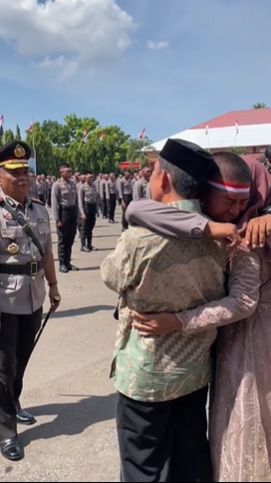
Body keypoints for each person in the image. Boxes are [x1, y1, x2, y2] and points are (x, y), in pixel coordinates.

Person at [128, 153, 271, 482]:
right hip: (217, 346)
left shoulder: (253, 233)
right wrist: (210, 226)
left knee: (243, 427)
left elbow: (243, 302)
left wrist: (178, 321)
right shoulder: (215, 226)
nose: (235, 211)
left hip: (248, 344)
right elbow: (135, 209)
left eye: (242, 201)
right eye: (227, 201)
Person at [101, 139, 233, 483]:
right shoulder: (220, 233)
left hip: (147, 373)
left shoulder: (139, 240)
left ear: (162, 179)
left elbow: (111, 276)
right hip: (194, 369)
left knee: (144, 466)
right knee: (190, 457)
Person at [0, 141, 61, 462]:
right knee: (3, 366)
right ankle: (6, 429)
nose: (22, 177)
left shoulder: (38, 209)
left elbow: (47, 251)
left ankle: (15, 402)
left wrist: (52, 285)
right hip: (3, 299)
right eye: (14, 172)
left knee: (22, 357)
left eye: (25, 171)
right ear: (0, 175)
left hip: (33, 294)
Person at [51, 164, 79, 273]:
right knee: (63, 239)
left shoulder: (73, 184)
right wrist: (57, 219)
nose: (70, 173)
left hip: (72, 212)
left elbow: (76, 201)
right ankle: (62, 264)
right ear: (61, 172)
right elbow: (54, 202)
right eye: (67, 171)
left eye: (71, 171)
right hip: (63, 212)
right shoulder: (57, 185)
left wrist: (77, 214)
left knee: (71, 239)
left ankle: (68, 262)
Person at [78, 173, 98, 252]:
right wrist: (82, 213)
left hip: (92, 207)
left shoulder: (94, 186)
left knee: (91, 227)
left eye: (92, 177)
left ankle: (89, 244)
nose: (91, 179)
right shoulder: (82, 187)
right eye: (89, 177)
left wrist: (96, 210)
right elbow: (80, 201)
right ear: (86, 178)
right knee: (84, 228)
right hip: (86, 207)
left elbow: (96, 198)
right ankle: (83, 245)